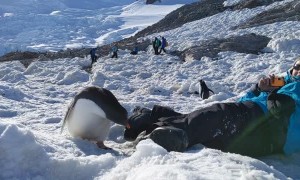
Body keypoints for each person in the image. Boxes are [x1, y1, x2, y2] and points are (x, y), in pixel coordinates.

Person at [124, 57, 300, 157]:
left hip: (271, 135)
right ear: (292, 68)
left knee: (215, 119)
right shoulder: (282, 83)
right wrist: (259, 89)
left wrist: (286, 111)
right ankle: (155, 121)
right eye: (298, 66)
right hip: (251, 117)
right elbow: (243, 101)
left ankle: (156, 125)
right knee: (212, 122)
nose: (299, 71)